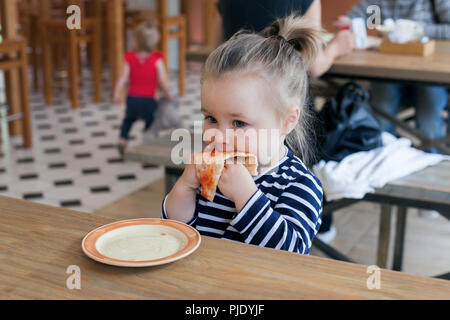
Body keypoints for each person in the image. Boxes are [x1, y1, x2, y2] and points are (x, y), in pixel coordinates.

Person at [162, 14, 324, 255]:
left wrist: (246, 196)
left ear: (287, 121)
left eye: (238, 122)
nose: (218, 137)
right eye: (212, 119)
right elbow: (177, 230)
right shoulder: (214, 174)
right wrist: (185, 186)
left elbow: (290, 254)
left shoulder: (300, 185)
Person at [335, 0, 450, 219]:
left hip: (429, 66)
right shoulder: (379, 2)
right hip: (390, 68)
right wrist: (350, 21)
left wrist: (420, 30)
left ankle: (429, 188)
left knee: (429, 117)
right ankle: (383, 176)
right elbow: (367, 16)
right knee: (381, 111)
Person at [214, 0, 355, 78]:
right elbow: (314, 67)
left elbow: (217, 51)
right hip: (280, 101)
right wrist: (337, 47)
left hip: (235, 95)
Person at [113, 21, 172, 155]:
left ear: (137, 42)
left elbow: (123, 77)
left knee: (128, 120)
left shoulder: (130, 58)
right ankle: (148, 141)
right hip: (149, 100)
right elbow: (163, 81)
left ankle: (123, 140)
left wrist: (116, 93)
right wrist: (167, 93)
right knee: (151, 122)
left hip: (132, 99)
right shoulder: (157, 60)